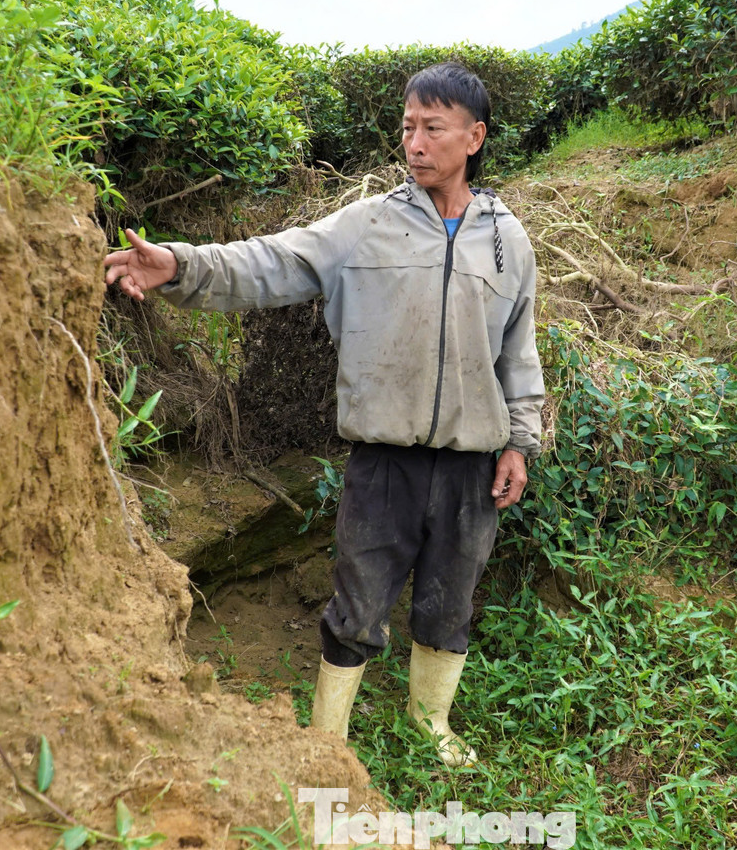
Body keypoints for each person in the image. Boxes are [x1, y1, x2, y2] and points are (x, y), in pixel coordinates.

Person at [103, 61, 544, 767]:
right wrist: (180, 266)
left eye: (433, 128)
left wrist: (520, 442)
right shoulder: (365, 226)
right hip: (383, 460)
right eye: (408, 128)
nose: (416, 143)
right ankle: (325, 741)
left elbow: (517, 351)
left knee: (448, 602)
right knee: (359, 600)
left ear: (474, 137)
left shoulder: (506, 239)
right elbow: (272, 261)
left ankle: (431, 728)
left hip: (472, 463)